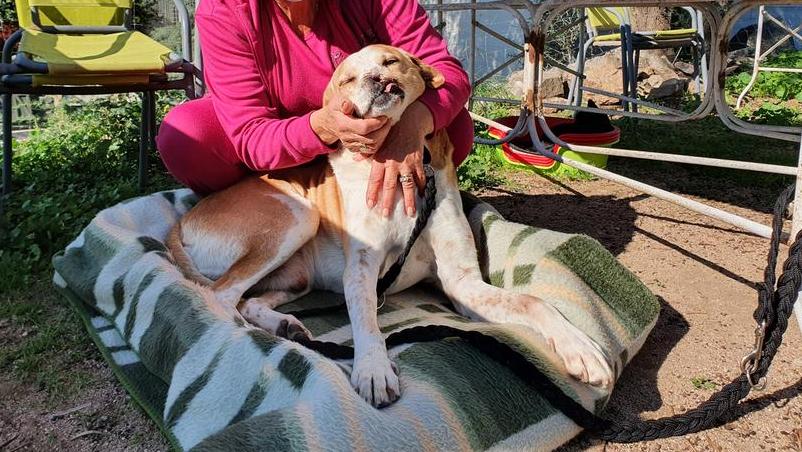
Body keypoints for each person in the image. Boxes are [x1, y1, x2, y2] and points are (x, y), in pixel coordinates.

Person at [156, 0, 473, 217]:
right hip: (280, 141)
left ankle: (385, 203)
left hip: (372, 135)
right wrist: (322, 126)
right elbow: (251, 134)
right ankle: (258, 212)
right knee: (187, 137)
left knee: (453, 126)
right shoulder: (224, 10)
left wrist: (412, 126)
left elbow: (446, 71)